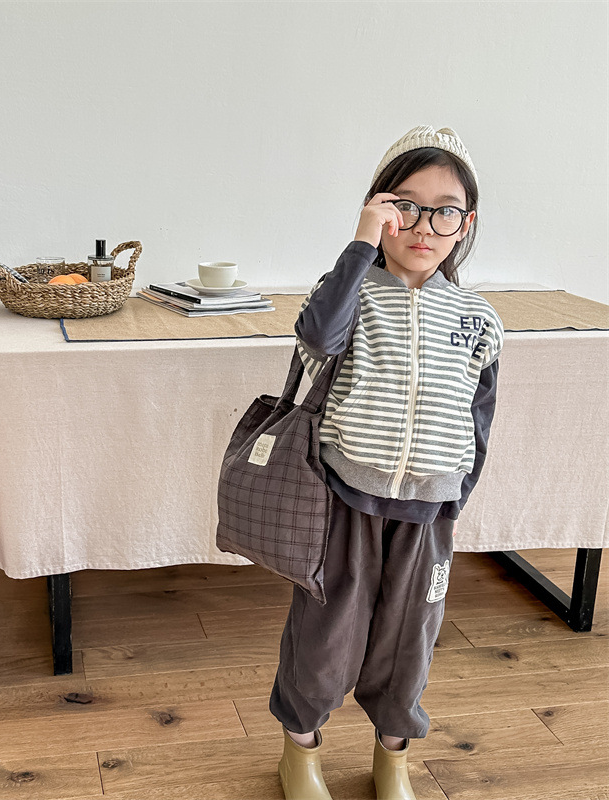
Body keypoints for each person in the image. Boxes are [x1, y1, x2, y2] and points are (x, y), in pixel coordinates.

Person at [270, 125, 504, 800]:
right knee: (324, 639)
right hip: (345, 501)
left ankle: (393, 757)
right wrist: (360, 245)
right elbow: (317, 338)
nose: (424, 226)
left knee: (410, 644)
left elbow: (479, 419)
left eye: (445, 211)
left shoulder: (478, 318)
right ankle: (300, 753)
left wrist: (456, 495)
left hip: (429, 511)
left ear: (466, 224)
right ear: (379, 209)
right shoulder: (348, 293)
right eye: (406, 206)